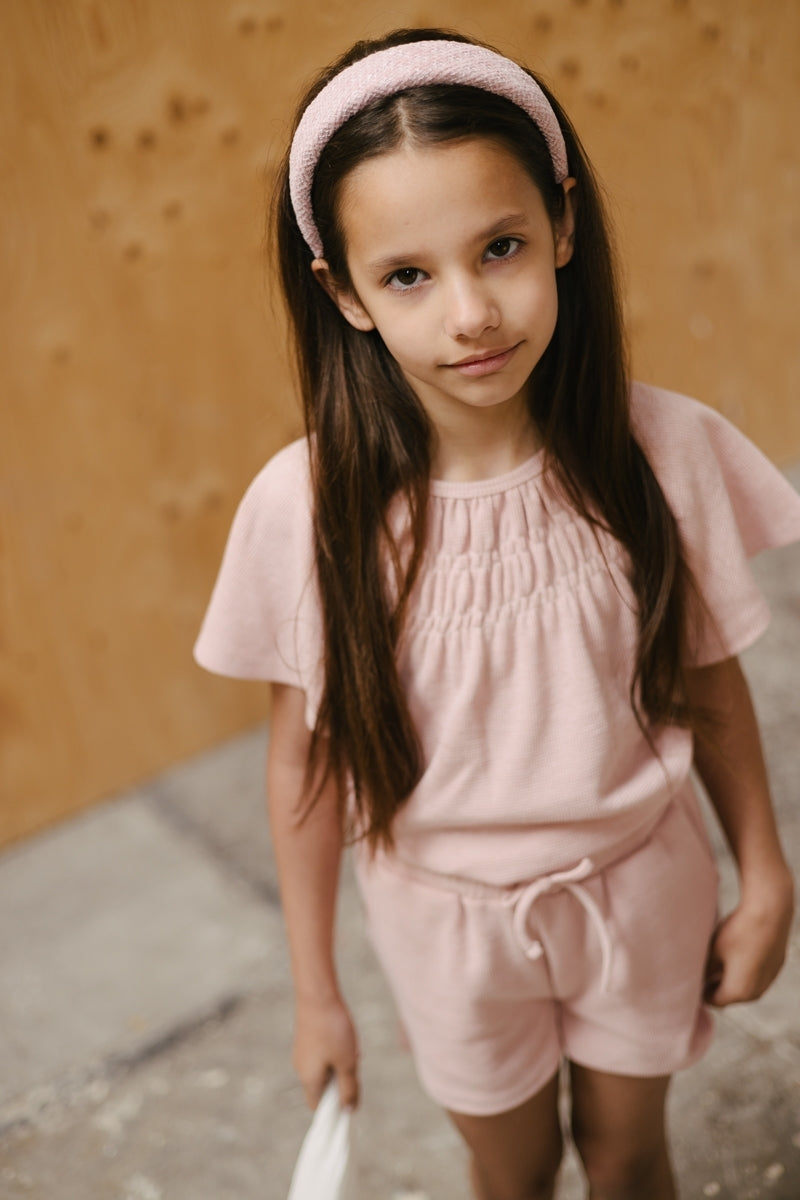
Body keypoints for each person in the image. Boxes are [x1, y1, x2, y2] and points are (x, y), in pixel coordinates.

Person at [194, 28, 800, 1200]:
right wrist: (317, 992)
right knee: (510, 1175)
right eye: (407, 276)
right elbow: (304, 763)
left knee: (628, 1157)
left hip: (640, 889)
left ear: (562, 225)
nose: (470, 312)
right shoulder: (305, 510)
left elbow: (706, 670)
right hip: (447, 933)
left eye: (500, 247)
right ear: (343, 293)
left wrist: (764, 873)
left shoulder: (661, 449)